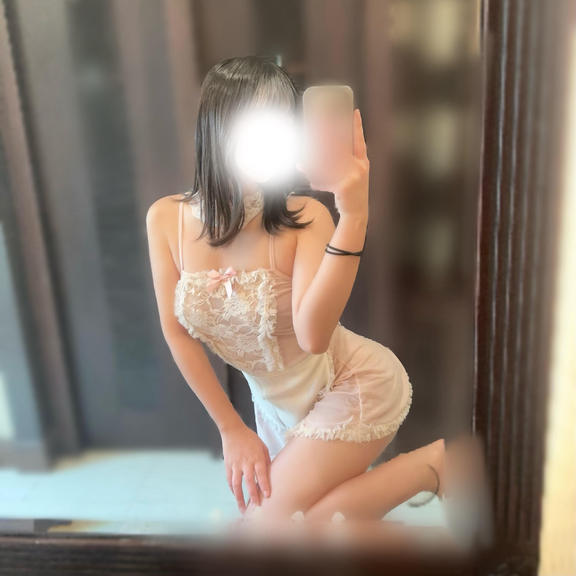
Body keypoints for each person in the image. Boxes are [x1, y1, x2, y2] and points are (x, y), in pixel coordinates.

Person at [146, 55, 447, 532]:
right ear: (216, 126)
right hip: (275, 409)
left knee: (266, 534)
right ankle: (435, 465)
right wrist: (231, 428)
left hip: (352, 383)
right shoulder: (165, 218)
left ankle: (434, 466)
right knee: (310, 532)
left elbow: (312, 337)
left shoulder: (306, 217)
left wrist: (354, 217)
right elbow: (176, 332)